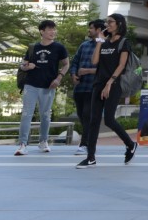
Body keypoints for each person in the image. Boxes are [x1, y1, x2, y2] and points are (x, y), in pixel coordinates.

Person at [76, 13, 138, 168]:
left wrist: (110, 83)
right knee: (93, 120)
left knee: (109, 119)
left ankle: (130, 144)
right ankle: (91, 157)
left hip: (114, 84)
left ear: (119, 24)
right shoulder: (103, 42)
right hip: (98, 83)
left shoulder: (124, 43)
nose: (107, 25)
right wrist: (99, 41)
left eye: (110, 22)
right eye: (106, 22)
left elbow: (121, 65)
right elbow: (94, 61)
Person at [15, 19, 69, 156]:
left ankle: (43, 141)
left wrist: (59, 78)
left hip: (48, 86)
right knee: (27, 114)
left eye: (54, 29)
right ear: (42, 31)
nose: (53, 32)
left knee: (45, 115)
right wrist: (27, 66)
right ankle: (22, 144)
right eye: (50, 29)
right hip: (31, 85)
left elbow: (66, 64)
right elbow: (22, 65)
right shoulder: (33, 47)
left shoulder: (59, 47)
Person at [69, 20, 105, 154]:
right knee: (81, 115)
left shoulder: (105, 46)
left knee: (87, 115)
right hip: (80, 88)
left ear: (99, 30)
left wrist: (88, 71)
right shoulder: (84, 45)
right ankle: (89, 141)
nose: (89, 30)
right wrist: (73, 74)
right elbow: (75, 62)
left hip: (94, 88)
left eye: (91, 28)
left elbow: (106, 70)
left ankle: (85, 144)